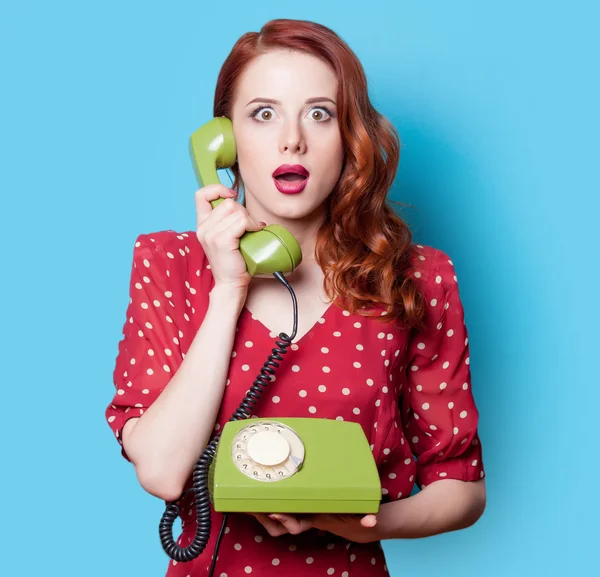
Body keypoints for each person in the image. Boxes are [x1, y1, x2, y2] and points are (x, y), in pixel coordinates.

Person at [105, 18, 486, 577]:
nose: (292, 139)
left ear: (349, 135)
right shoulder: (171, 264)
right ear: (224, 142)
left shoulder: (417, 277)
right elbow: (162, 471)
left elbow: (462, 488)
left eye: (319, 113)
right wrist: (229, 287)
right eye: (264, 113)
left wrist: (356, 522)